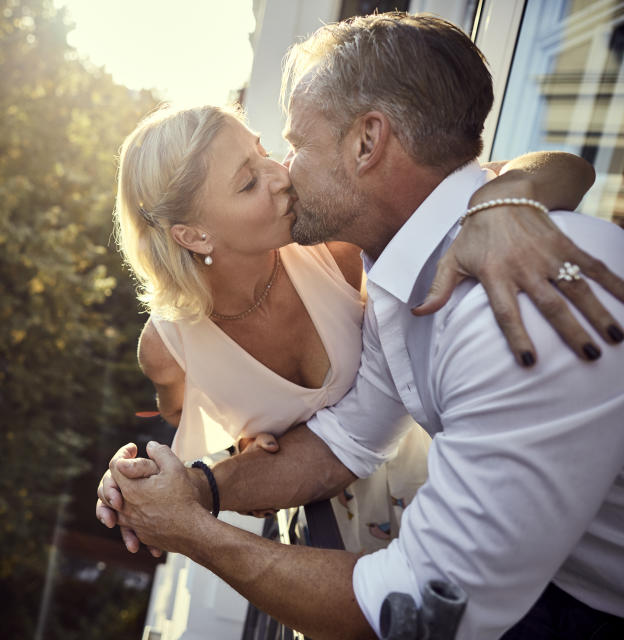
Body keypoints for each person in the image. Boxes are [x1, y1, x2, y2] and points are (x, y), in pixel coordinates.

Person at [98, 12, 624, 639]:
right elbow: (347, 438)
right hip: (557, 578)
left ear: (367, 142)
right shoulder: (401, 280)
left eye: (291, 145)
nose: (283, 172)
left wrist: (192, 532)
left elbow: (418, 609)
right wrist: (192, 487)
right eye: (255, 171)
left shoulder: (512, 307)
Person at [111, 103, 595, 563]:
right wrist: (238, 451)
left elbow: (566, 169)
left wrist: (500, 208)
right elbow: (182, 416)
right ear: (194, 235)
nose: (282, 176)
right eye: (248, 181)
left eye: (262, 151)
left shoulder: (333, 238)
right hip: (327, 534)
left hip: (443, 473)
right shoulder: (166, 348)